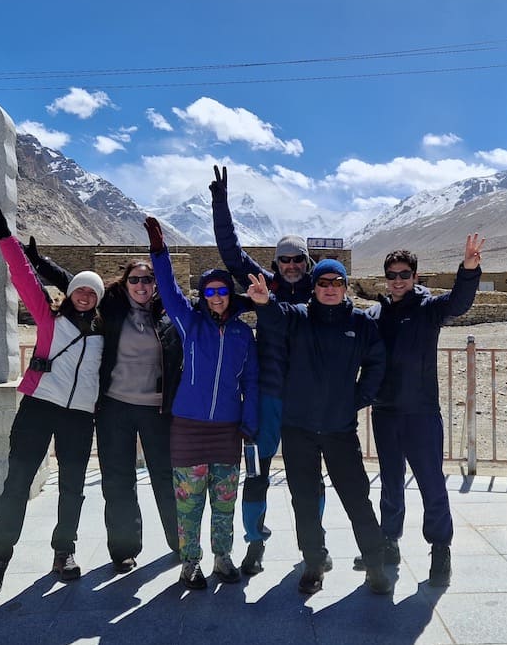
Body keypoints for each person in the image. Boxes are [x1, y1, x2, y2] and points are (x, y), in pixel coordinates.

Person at [25, 239, 183, 573]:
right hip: (114, 407)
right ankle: (124, 548)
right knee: (118, 479)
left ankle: (181, 541)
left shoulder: (170, 316)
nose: (141, 285)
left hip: (157, 410)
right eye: (135, 280)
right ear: (124, 284)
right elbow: (75, 282)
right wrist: (40, 262)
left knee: (166, 477)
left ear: (156, 286)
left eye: (148, 280)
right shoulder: (110, 308)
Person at [0, 203, 105, 597]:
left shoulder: (106, 333)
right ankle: (0, 556)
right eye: (79, 289)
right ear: (70, 293)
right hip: (39, 408)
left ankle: (63, 551)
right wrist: (5, 237)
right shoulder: (49, 319)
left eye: (91, 291)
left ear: (98, 299)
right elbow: (24, 277)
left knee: (73, 487)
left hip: (80, 417)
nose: (84, 295)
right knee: (16, 482)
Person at [246, 259, 392, 595]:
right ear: (313, 287)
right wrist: (263, 302)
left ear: (344, 286)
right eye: (323, 283)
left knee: (357, 499)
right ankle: (314, 563)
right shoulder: (298, 317)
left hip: (340, 429)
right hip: (298, 429)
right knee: (305, 500)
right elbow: (275, 318)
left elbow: (376, 364)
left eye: (336, 282)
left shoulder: (360, 324)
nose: (329, 288)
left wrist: (356, 398)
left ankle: (374, 564)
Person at [209, 164, 327, 575]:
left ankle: (317, 544)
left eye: (298, 259)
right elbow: (230, 255)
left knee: (309, 478)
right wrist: (220, 207)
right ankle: (254, 542)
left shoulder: (322, 291)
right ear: (275, 264)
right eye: (284, 259)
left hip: (308, 403)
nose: (291, 265)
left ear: (307, 262)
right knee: (256, 473)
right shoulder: (264, 287)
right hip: (267, 398)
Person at [144, 216, 258, 590]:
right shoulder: (190, 323)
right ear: (203, 296)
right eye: (209, 292)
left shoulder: (243, 333)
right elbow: (169, 288)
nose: (216, 297)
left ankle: (222, 557)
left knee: (224, 500)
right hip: (189, 427)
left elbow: (252, 381)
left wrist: (249, 419)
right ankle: (189, 562)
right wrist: (159, 252)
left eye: (222, 290)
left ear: (230, 294)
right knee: (189, 503)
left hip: (227, 429)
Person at [364, 236, 484, 587]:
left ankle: (440, 549)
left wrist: (469, 271)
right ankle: (389, 541)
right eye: (392, 274)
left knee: (432, 483)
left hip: (421, 413)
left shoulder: (428, 309)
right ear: (386, 277)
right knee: (390, 483)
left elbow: (459, 303)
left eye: (404, 274)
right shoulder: (377, 314)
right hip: (385, 412)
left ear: (415, 276)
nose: (398, 280)